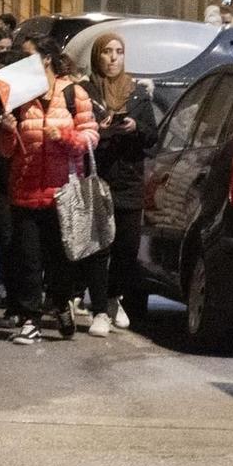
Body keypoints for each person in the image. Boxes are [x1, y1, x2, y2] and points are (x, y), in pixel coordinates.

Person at [0, 37, 98, 346]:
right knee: (28, 259)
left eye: (27, 56)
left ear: (46, 60)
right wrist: (5, 130)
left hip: (62, 194)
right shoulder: (19, 95)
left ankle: (62, 300)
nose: (20, 62)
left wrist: (65, 136)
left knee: (60, 262)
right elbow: (6, 150)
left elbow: (91, 136)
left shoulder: (73, 94)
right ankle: (30, 320)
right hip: (25, 190)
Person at [85, 32, 158, 336]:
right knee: (100, 245)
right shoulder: (86, 92)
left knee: (127, 247)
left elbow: (152, 137)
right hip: (98, 176)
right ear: (97, 56)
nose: (113, 58)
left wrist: (135, 126)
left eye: (119, 52)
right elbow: (77, 132)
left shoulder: (138, 94)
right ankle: (100, 309)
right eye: (107, 52)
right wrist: (97, 130)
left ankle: (115, 297)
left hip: (129, 178)